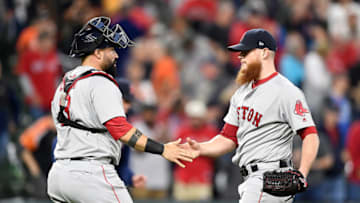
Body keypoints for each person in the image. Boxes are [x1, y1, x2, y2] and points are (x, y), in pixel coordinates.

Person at [47, 16, 193, 203]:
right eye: (111, 49)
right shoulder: (101, 82)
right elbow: (121, 130)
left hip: (59, 175)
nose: (116, 55)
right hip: (91, 174)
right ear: (98, 53)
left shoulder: (65, 82)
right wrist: (162, 149)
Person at [185, 28, 320, 203]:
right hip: (250, 179)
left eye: (246, 52)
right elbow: (228, 138)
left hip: (269, 178)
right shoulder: (240, 94)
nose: (241, 57)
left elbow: (309, 134)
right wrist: (201, 148)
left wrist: (303, 172)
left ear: (264, 53)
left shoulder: (286, 91)